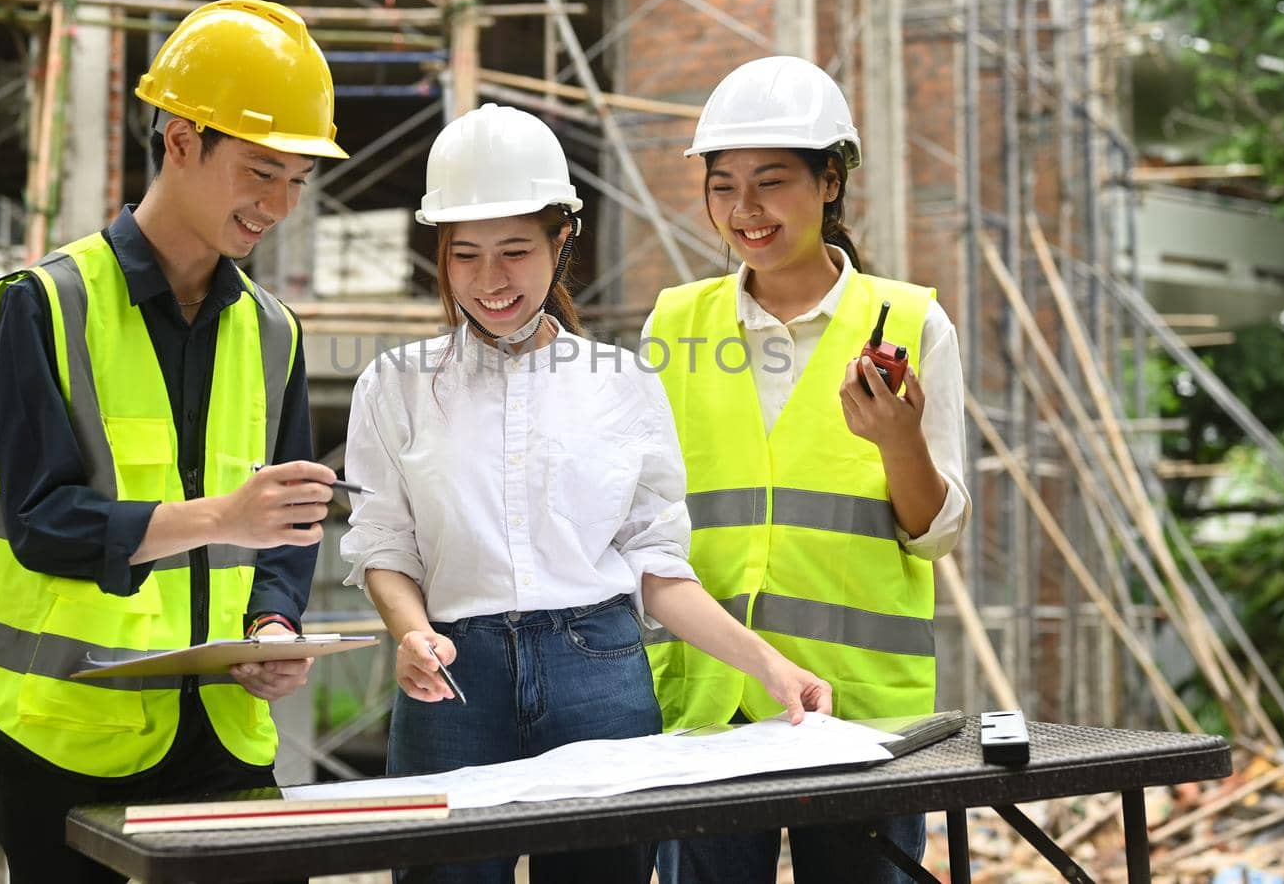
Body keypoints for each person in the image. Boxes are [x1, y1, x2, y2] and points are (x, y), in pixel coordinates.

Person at [340, 103, 832, 884]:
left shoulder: (624, 385)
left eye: (514, 251)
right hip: (452, 677)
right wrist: (409, 631)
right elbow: (384, 544)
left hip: (598, 669)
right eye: (465, 255)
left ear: (561, 238)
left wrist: (769, 665)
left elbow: (658, 567)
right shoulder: (393, 386)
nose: (490, 280)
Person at [0, 0, 350, 884]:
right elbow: (42, 521)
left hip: (226, 732)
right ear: (180, 141)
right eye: (261, 171)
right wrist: (224, 516)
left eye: (297, 180)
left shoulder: (275, 332)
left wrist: (275, 619)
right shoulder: (40, 307)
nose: (279, 206)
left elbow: (291, 526)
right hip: (69, 735)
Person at [645, 56, 972, 884]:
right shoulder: (676, 321)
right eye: (723, 186)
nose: (744, 210)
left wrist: (899, 439)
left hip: (863, 711)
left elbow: (936, 535)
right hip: (710, 699)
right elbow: (637, 513)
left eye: (772, 181)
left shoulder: (906, 321)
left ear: (831, 181)